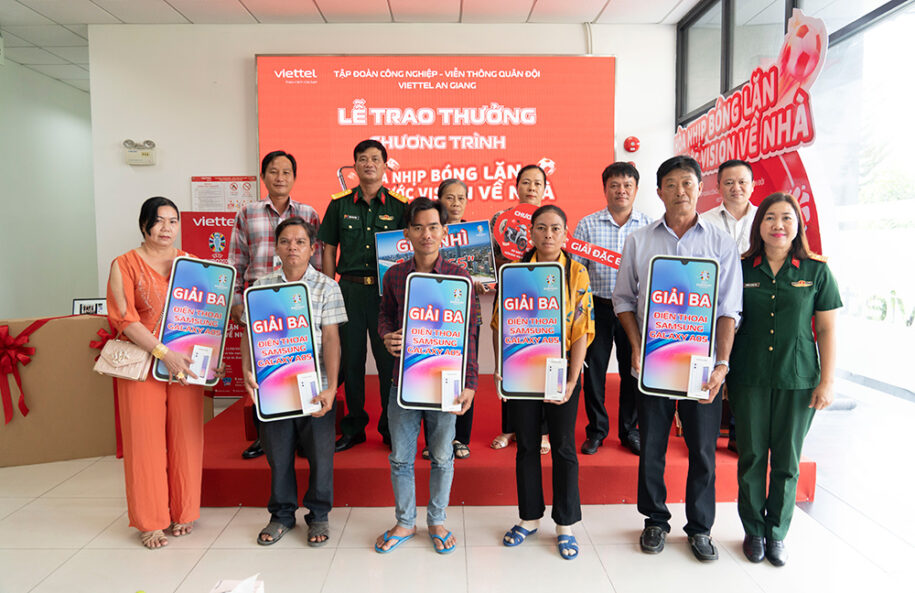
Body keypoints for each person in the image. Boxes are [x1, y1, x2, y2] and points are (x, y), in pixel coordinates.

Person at [612, 156, 742, 562]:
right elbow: (623, 299)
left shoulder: (721, 243)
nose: (680, 191)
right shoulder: (639, 241)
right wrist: (636, 346)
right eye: (671, 184)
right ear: (659, 192)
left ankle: (700, 528)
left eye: (687, 183)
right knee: (652, 445)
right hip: (653, 362)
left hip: (701, 366)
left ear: (700, 188)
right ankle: (654, 520)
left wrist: (721, 364)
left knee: (702, 450)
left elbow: (728, 308)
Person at [727, 192, 840, 567]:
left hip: (799, 378)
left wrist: (827, 381)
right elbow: (725, 321)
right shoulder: (741, 268)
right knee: (752, 456)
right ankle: (753, 530)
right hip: (749, 375)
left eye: (786, 218)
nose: (778, 225)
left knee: (788, 460)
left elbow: (827, 329)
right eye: (770, 217)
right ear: (759, 225)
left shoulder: (816, 271)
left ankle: (776, 533)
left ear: (797, 225)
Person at [106, 197, 215, 549]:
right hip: (143, 363)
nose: (167, 228)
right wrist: (162, 352)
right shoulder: (125, 264)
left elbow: (206, 317)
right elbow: (124, 319)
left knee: (186, 437)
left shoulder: (192, 264)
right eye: (159, 220)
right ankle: (150, 521)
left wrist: (208, 358)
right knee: (144, 442)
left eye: (173, 221)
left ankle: (185, 511)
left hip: (184, 364)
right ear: (144, 225)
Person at [376, 197, 480, 554]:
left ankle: (437, 520)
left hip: (446, 383)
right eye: (418, 227)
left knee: (441, 456)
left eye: (433, 227)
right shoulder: (394, 275)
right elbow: (384, 316)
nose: (426, 234)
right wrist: (387, 335)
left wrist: (470, 383)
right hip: (403, 382)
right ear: (406, 233)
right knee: (401, 458)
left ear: (444, 231)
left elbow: (470, 333)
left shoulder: (459, 277)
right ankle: (405, 521)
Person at [240, 217, 346, 547]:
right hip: (273, 387)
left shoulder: (327, 287)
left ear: (312, 248)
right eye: (285, 241)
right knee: (278, 454)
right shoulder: (260, 287)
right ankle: (282, 514)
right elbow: (248, 334)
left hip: (315, 387)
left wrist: (331, 387)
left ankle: (319, 514)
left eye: (300, 242)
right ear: (276, 247)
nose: (292, 248)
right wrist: (246, 369)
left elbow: (332, 338)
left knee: (321, 455)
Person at [496, 204, 595, 560]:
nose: (548, 234)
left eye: (555, 228)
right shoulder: (514, 272)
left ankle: (565, 525)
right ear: (531, 233)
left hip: (561, 367)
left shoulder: (577, 273)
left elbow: (582, 329)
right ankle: (529, 518)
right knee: (526, 444)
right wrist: (502, 369)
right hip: (521, 366)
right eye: (541, 227)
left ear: (565, 234)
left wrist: (572, 379)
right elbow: (499, 323)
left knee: (564, 445)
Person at [229, 150, 323, 460]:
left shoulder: (308, 213)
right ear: (263, 176)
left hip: (299, 303)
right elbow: (237, 259)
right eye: (273, 171)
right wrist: (237, 301)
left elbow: (318, 261)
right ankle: (265, 436)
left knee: (299, 364)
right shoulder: (247, 213)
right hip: (261, 302)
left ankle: (302, 436)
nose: (280, 177)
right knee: (264, 369)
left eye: (286, 172)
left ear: (294, 177)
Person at [318, 139, 408, 452]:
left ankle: (390, 427)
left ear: (385, 165)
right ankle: (354, 427)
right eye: (363, 159)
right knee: (351, 361)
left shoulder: (399, 206)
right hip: (349, 291)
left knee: (388, 362)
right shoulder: (339, 205)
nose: (369, 164)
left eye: (375, 159)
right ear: (354, 165)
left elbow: (409, 251)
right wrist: (328, 290)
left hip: (386, 295)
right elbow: (329, 249)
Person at [573, 162, 651, 456]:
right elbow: (577, 272)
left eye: (627, 185)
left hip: (634, 311)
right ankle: (596, 430)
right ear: (605, 189)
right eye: (615, 185)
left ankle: (630, 430)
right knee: (594, 374)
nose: (621, 191)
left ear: (636, 189)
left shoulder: (649, 226)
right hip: (598, 309)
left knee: (633, 370)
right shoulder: (587, 225)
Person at [490, 165, 551, 455]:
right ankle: (509, 427)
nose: (531, 187)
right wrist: (510, 263)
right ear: (517, 187)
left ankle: (543, 431)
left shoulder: (551, 219)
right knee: (509, 361)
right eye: (526, 182)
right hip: (510, 295)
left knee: (541, 358)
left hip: (542, 301)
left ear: (544, 189)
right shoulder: (500, 219)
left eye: (537, 183)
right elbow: (490, 259)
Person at [701, 159, 759, 452]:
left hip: (754, 301)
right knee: (714, 362)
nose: (736, 188)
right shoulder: (704, 221)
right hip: (716, 304)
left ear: (752, 185)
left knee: (745, 368)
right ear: (718, 186)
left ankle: (738, 433)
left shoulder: (764, 219)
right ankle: (705, 432)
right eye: (729, 182)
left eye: (742, 182)